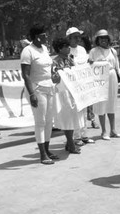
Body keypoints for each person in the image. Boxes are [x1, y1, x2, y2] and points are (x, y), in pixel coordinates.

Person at [20, 24, 57, 165]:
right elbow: (26, 74)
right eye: (44, 35)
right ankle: (42, 154)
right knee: (40, 122)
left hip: (49, 87)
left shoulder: (45, 49)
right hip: (37, 89)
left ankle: (47, 150)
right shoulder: (27, 51)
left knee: (49, 121)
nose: (46, 37)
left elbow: (48, 67)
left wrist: (54, 74)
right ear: (36, 37)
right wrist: (32, 94)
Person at [89, 29, 120, 141]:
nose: (103, 40)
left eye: (105, 38)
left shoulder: (113, 51)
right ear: (97, 40)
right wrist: (101, 64)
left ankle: (113, 130)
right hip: (100, 78)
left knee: (111, 103)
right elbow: (89, 64)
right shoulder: (94, 51)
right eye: (101, 38)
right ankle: (104, 131)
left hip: (112, 76)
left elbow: (117, 65)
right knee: (102, 104)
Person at [51, 37, 82, 154]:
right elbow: (54, 79)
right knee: (66, 118)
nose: (69, 48)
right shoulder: (55, 62)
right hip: (62, 93)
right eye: (65, 46)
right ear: (60, 48)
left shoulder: (70, 60)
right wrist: (60, 73)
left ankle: (70, 143)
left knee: (72, 117)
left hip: (72, 92)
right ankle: (70, 143)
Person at [66, 27, 95, 144]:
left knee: (83, 110)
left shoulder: (82, 49)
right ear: (69, 39)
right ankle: (76, 137)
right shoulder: (66, 50)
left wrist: (90, 62)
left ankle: (84, 135)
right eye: (75, 37)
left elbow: (87, 63)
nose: (78, 39)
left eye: (79, 36)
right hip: (73, 85)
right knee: (76, 111)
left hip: (83, 84)